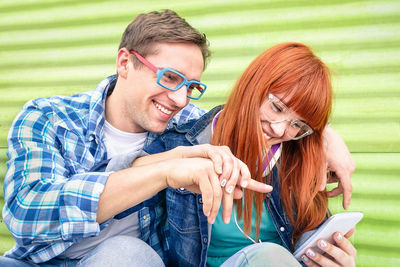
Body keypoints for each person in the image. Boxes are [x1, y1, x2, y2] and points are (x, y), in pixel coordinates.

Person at [0, 9, 355, 267]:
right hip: (41, 261)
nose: (180, 99)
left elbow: (247, 116)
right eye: (169, 78)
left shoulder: (184, 125)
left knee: (126, 253)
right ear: (125, 63)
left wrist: (321, 136)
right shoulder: (50, 117)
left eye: (192, 87)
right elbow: (26, 212)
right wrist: (163, 172)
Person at [134, 42, 357, 267]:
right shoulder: (181, 143)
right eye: (277, 108)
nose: (280, 130)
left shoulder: (299, 156)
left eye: (297, 125)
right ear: (252, 87)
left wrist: (331, 258)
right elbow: (129, 182)